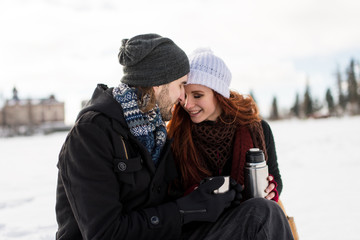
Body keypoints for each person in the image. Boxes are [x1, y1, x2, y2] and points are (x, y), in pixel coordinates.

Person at [55, 34, 238, 240]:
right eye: (180, 84)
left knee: (258, 213)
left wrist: (204, 197)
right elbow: (104, 233)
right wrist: (183, 210)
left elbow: (162, 203)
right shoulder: (91, 134)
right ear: (158, 84)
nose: (182, 97)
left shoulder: (156, 132)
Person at [167, 48, 293, 239]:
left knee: (265, 210)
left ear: (218, 93)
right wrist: (196, 198)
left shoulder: (256, 128)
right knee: (263, 213)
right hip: (196, 230)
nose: (188, 104)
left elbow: (275, 177)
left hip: (244, 220)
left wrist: (270, 190)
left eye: (197, 95)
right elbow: (167, 195)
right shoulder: (175, 134)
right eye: (184, 95)